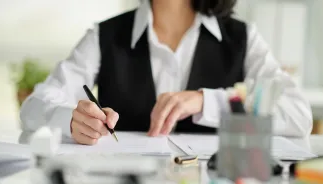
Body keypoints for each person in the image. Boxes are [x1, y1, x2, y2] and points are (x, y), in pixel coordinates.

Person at [20, 0, 313, 145]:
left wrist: (206, 102)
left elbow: (299, 115)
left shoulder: (243, 38)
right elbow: (34, 107)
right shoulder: (105, 35)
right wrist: (71, 121)